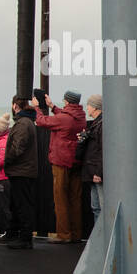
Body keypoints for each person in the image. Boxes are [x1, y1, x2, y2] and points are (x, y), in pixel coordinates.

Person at [36, 89, 86, 243]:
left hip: (61, 161)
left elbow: (42, 121)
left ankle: (64, 234)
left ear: (67, 101)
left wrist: (37, 107)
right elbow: (65, 117)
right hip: (76, 160)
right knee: (75, 198)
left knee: (61, 198)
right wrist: (52, 106)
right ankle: (76, 233)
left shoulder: (65, 118)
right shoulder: (80, 117)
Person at [4, 95, 39, 249]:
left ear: (15, 106)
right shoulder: (27, 122)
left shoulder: (22, 124)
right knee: (19, 203)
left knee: (23, 205)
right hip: (24, 170)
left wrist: (7, 160)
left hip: (21, 171)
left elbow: (18, 148)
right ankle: (17, 234)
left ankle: (25, 238)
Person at [76, 93, 104, 219]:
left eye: (89, 105)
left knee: (101, 207)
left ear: (95, 107)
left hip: (97, 173)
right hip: (93, 172)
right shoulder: (97, 124)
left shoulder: (101, 125)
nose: (87, 107)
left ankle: (103, 237)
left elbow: (103, 150)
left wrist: (99, 172)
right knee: (96, 207)